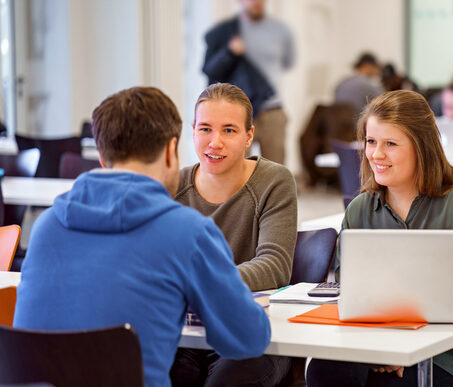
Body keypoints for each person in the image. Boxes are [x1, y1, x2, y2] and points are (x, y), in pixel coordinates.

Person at [13, 87, 270, 387]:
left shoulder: (46, 227)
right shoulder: (187, 232)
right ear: (170, 151)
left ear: (101, 155)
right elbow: (247, 339)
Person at [306, 90, 453, 387]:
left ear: (421, 147)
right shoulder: (360, 210)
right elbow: (353, 294)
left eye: (390, 144)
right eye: (371, 142)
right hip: (375, 343)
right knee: (324, 369)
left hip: (444, 354)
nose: (376, 154)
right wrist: (384, 348)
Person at [170, 83, 297, 387]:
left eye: (229, 130)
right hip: (187, 333)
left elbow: (275, 264)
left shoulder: (273, 181)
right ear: (192, 131)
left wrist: (203, 284)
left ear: (249, 136)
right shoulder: (173, 186)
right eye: (205, 129)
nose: (215, 142)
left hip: (251, 334)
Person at [202, 0, 294, 164]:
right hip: (237, 113)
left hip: (271, 111)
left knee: (277, 172)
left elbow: (288, 62)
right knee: (235, 169)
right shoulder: (224, 33)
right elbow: (209, 70)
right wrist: (230, 52)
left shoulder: (279, 31)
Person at [334, 52, 385, 117]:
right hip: (358, 124)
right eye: (376, 67)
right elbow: (386, 102)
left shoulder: (341, 84)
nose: (378, 71)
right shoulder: (368, 84)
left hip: (342, 125)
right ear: (368, 65)